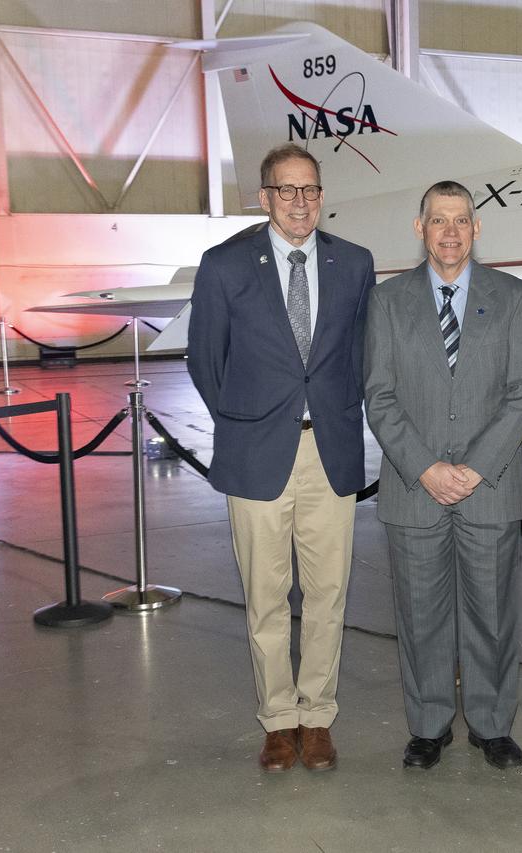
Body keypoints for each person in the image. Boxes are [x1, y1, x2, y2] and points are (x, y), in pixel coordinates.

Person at [187, 143, 375, 773]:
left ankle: (317, 716)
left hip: (331, 451)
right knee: (265, 595)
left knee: (328, 592)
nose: (300, 202)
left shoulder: (354, 263)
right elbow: (205, 361)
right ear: (264, 197)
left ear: (322, 196)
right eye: (287, 190)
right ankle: (277, 718)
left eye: (311, 190)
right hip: (257, 453)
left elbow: (357, 356)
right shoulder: (225, 264)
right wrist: (248, 421)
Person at [364, 180, 522, 771]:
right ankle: (429, 725)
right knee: (420, 614)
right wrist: (427, 468)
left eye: (461, 220)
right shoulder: (388, 302)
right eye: (438, 220)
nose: (450, 232)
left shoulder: (513, 297)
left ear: (477, 228)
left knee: (492, 613)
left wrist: (473, 469)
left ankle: (492, 726)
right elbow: (380, 396)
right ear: (420, 229)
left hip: (487, 488)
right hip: (415, 489)